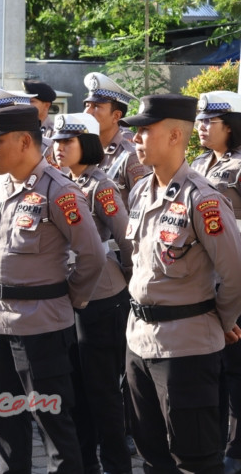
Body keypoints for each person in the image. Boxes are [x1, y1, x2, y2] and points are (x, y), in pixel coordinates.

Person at [0, 104, 105, 474]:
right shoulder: (0, 184)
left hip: (41, 327)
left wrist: (71, 299)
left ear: (24, 141)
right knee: (4, 422)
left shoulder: (60, 191)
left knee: (53, 426)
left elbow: (92, 255)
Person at [120, 94, 241, 472]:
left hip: (185, 349)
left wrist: (218, 323)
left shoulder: (203, 199)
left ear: (175, 136)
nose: (136, 139)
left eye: (144, 131)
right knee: (152, 456)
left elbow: (235, 273)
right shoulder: (142, 191)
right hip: (138, 342)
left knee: (195, 460)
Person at [51, 113, 134, 474]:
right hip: (70, 295)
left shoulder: (101, 187)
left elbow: (127, 239)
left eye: (66, 142)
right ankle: (86, 465)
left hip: (102, 296)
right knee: (76, 393)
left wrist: (130, 286)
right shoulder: (61, 182)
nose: (57, 149)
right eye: (55, 142)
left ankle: (116, 465)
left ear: (85, 145)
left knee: (102, 393)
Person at [189, 91, 241, 473]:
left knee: (237, 365)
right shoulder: (198, 163)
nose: (201, 127)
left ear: (232, 126)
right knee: (215, 363)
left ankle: (237, 448)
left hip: (236, 275)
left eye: (210, 121)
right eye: (201, 120)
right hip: (206, 279)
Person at [82, 72, 148, 208]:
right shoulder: (83, 150)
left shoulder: (130, 156)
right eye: (87, 105)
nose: (87, 112)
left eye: (96, 106)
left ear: (116, 116)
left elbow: (141, 207)